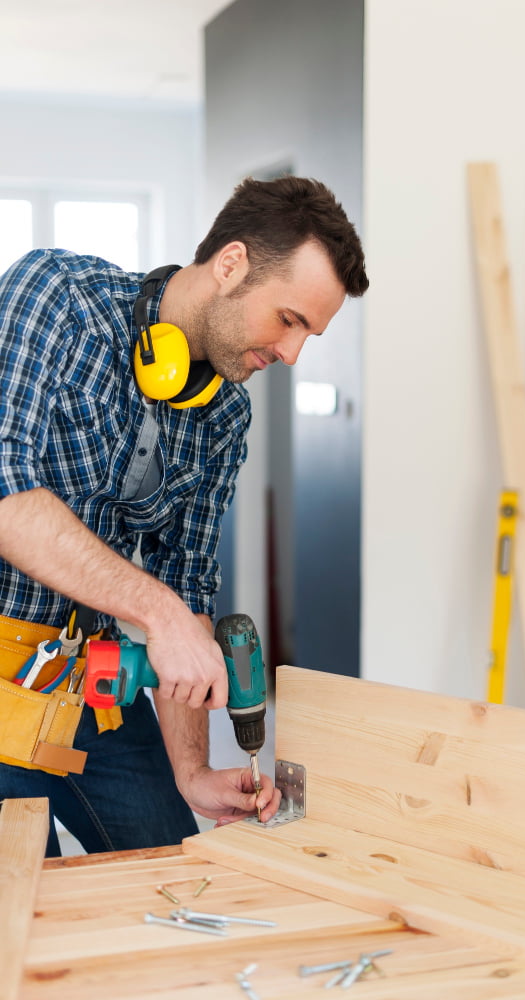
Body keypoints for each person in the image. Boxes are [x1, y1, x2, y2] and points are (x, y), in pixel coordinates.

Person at [0, 175, 369, 856]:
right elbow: (7, 496)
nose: (292, 354)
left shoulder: (225, 414)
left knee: (175, 875)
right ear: (230, 265)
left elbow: (189, 584)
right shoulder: (56, 298)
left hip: (86, 683)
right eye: (289, 320)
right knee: (22, 913)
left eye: (309, 334)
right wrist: (162, 615)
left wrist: (192, 770)